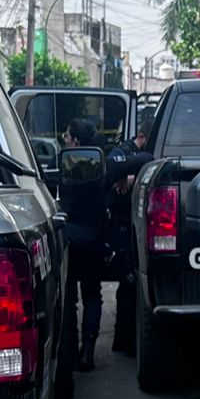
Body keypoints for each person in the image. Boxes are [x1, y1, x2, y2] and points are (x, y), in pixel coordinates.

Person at [60, 118, 105, 371]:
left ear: (75, 141)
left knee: (69, 297)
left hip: (71, 236)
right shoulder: (98, 166)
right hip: (94, 238)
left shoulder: (67, 165)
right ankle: (87, 351)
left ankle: (71, 351)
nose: (64, 140)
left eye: (66, 136)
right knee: (92, 294)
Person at [107, 118, 153, 355]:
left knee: (132, 285)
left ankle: (126, 338)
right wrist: (124, 175)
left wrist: (130, 177)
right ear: (142, 137)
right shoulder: (123, 151)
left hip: (139, 226)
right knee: (127, 283)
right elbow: (112, 169)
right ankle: (123, 340)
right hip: (122, 226)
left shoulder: (143, 155)